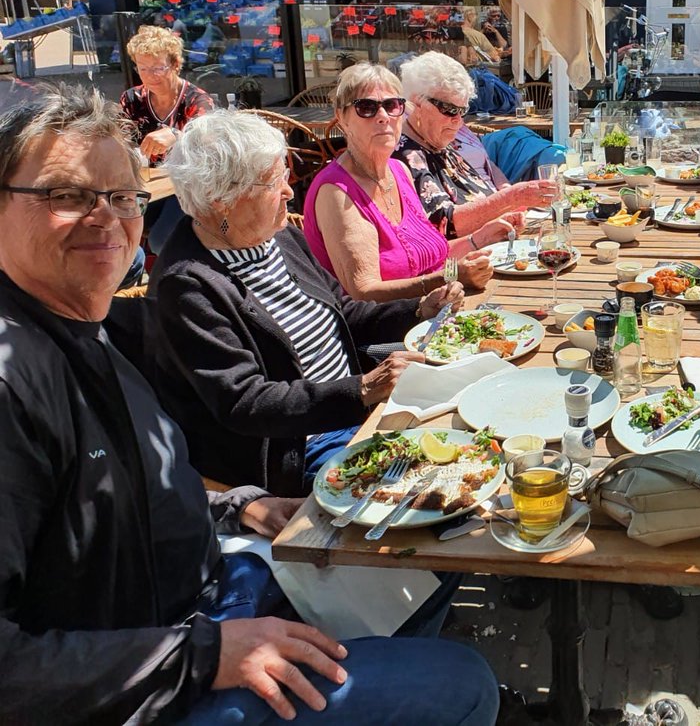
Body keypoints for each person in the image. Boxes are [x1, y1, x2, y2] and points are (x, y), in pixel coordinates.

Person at [0, 87, 499, 726]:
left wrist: (238, 506)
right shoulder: (18, 378)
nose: (107, 218)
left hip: (215, 588)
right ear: (223, 202)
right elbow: (242, 402)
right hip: (153, 673)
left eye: (125, 197)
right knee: (462, 684)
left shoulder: (81, 329)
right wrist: (203, 655)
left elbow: (112, 494)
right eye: (66, 195)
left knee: (442, 538)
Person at [150, 109, 464, 497]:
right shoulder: (186, 285)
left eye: (285, 174)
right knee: (440, 489)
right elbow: (245, 401)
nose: (288, 190)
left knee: (473, 428)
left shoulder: (278, 238)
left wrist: (418, 310)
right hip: (302, 448)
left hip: (362, 417)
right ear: (221, 201)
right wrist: (362, 388)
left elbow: (344, 314)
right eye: (273, 181)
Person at [305, 63, 500, 301]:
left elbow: (429, 257)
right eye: (366, 107)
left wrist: (479, 238)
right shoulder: (336, 192)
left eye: (391, 105)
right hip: (383, 331)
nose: (383, 117)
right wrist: (452, 276)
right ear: (342, 118)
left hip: (436, 312)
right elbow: (363, 292)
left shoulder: (399, 172)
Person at [395, 51, 554, 238]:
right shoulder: (404, 155)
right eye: (450, 110)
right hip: (464, 261)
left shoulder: (438, 142)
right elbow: (443, 224)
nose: (459, 121)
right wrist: (510, 198)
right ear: (417, 103)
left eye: (463, 111)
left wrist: (510, 206)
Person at [119, 24, 214, 162]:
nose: (150, 76)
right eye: (143, 69)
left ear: (175, 64)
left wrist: (177, 136)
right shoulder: (131, 99)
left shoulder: (197, 101)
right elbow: (121, 143)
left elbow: (209, 144)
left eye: (158, 68)